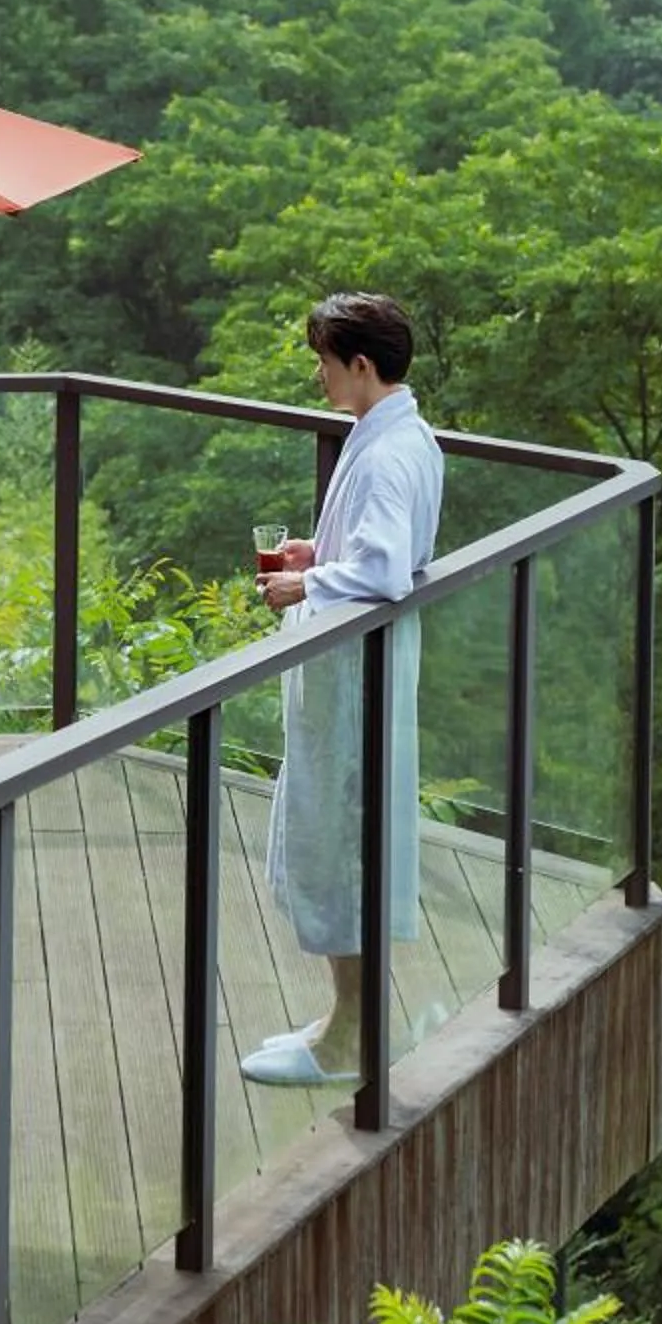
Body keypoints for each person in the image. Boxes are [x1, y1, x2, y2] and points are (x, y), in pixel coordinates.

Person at [242, 292, 444, 1087]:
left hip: (354, 674)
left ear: (361, 365)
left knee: (339, 841)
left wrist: (305, 583)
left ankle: (348, 1042)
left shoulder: (391, 452)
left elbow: (387, 570)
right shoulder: (397, 433)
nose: (319, 376)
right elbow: (377, 549)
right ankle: (346, 1021)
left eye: (326, 362)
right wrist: (318, 548)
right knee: (339, 836)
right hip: (358, 670)